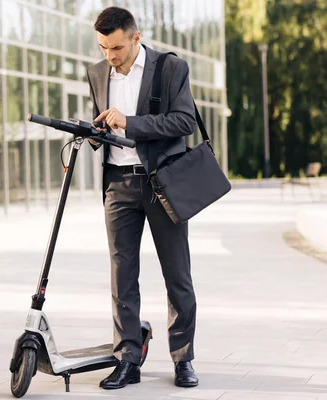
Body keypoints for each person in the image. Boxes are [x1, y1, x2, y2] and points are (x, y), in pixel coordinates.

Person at [86, 6, 199, 389]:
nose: (109, 57)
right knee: (123, 278)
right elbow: (104, 122)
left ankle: (183, 360)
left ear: (136, 37)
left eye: (116, 47)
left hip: (162, 183)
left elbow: (184, 121)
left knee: (176, 275)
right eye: (103, 48)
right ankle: (127, 359)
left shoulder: (170, 69)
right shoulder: (97, 73)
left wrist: (129, 122)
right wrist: (94, 131)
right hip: (118, 186)